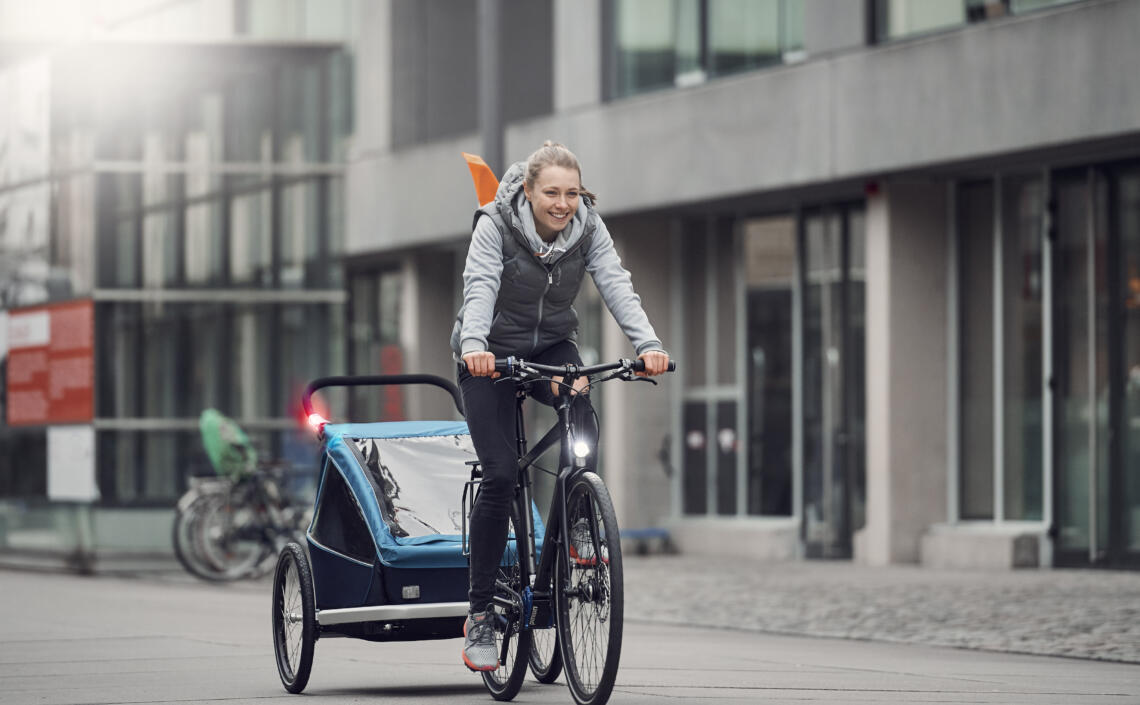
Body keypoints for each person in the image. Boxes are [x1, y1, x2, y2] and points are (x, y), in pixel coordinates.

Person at [450, 141, 669, 671]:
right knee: (501, 474)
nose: (563, 203)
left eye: (572, 192)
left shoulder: (588, 227)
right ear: (528, 191)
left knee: (581, 424)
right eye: (552, 192)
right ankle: (480, 613)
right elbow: (480, 285)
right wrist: (476, 347)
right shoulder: (495, 225)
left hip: (551, 347)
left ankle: (574, 524)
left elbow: (616, 283)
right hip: (490, 354)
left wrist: (648, 345)